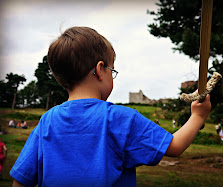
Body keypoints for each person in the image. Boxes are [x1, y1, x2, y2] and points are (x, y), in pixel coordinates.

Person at [10, 26, 211, 187]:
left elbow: (21, 179)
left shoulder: (47, 121)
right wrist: (198, 116)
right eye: (112, 69)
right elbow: (174, 146)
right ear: (100, 70)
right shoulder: (121, 118)